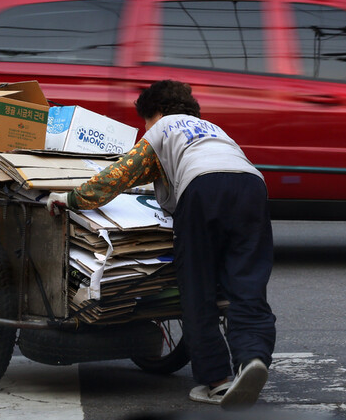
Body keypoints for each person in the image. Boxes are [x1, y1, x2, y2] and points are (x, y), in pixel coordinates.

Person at [48, 80, 276, 410]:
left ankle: (217, 381)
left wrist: (72, 198)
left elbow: (120, 174)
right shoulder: (212, 130)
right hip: (252, 188)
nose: (145, 130)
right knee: (247, 284)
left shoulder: (163, 128)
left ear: (155, 113)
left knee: (197, 289)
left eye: (145, 122)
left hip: (202, 190)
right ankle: (252, 358)